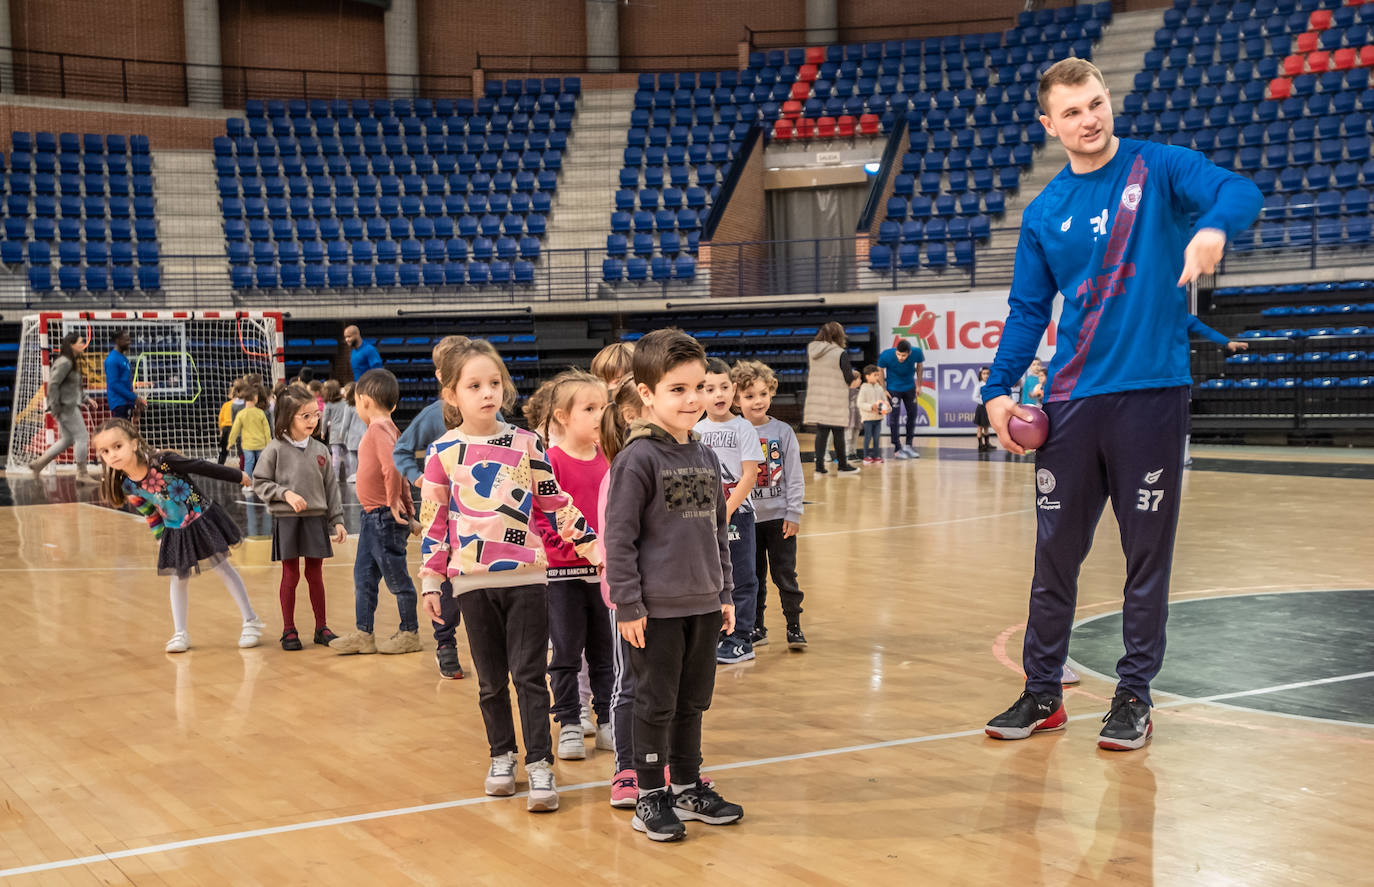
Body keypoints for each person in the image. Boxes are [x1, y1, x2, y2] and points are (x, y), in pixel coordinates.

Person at [981, 58, 1263, 750]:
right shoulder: (1045, 212)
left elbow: (1238, 187)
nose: (1089, 119)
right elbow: (1025, 311)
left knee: (1146, 558)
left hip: (1151, 397)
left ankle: (1133, 695)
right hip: (1070, 402)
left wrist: (1214, 228)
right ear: (1048, 124)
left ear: (1110, 103)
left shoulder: (1158, 167)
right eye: (1072, 112)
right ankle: (1042, 692)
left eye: (1097, 103)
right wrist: (996, 389)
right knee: (1054, 558)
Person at [419, 338, 598, 814]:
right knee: (491, 681)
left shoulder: (526, 443)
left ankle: (540, 764)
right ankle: (502, 757)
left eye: (494, 383)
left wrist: (594, 546)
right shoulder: (442, 452)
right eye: (474, 385)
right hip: (472, 584)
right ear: (452, 395)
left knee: (530, 677)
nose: (487, 393)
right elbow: (435, 523)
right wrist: (431, 581)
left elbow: (555, 502)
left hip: (526, 579)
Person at [604, 328, 744, 843]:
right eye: (677, 390)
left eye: (699, 387)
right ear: (647, 394)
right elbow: (619, 542)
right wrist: (629, 604)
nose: (693, 400)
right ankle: (650, 796)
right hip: (655, 611)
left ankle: (686, 785)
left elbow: (718, 530)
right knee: (655, 702)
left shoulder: (705, 456)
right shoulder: (637, 459)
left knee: (693, 701)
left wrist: (725, 593)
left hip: (705, 604)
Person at [92, 418, 263, 652]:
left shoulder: (163, 462)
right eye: (105, 451)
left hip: (201, 518)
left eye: (117, 446)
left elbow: (201, 466)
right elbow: (149, 513)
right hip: (175, 531)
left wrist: (236, 475)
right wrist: (161, 537)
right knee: (178, 577)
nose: (112, 454)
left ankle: (251, 621)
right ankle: (180, 633)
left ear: (133, 443)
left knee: (222, 566)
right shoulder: (128, 485)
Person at [527, 369, 615, 762]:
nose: (599, 415)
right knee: (565, 652)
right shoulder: (550, 463)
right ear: (563, 415)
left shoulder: (611, 461)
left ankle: (608, 719)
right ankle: (569, 721)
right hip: (562, 577)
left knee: (605, 651)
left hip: (605, 576)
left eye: (603, 407)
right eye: (590, 408)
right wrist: (571, 549)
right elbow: (542, 518)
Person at [394, 335, 472, 680]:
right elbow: (401, 451)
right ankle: (445, 644)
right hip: (443, 516)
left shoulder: (491, 410)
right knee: (442, 581)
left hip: (482, 518)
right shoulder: (431, 416)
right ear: (441, 376)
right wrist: (419, 478)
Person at [330, 369, 422, 656]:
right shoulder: (391, 428)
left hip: (382, 517)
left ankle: (409, 632)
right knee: (364, 577)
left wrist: (396, 504)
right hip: (375, 517)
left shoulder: (378, 429)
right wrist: (409, 512)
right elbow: (402, 471)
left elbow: (393, 469)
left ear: (365, 400)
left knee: (397, 579)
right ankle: (363, 633)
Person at [252, 384, 347, 651]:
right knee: (290, 575)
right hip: (287, 519)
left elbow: (331, 488)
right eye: (305, 416)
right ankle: (288, 630)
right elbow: (260, 482)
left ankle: (321, 627)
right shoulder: (275, 449)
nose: (313, 421)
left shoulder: (321, 450)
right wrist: (285, 494)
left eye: (315, 414)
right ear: (287, 417)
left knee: (315, 575)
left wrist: (337, 519)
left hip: (315, 519)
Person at [596, 362, 649, 808]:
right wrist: (627, 600)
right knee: (629, 682)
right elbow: (617, 545)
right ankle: (626, 766)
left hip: (671, 599)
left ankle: (662, 762)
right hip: (630, 601)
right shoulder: (622, 471)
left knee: (664, 687)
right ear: (634, 414)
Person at [734, 359, 807, 650]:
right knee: (752, 579)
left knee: (785, 575)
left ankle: (794, 626)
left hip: (779, 519)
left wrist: (794, 511)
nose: (757, 401)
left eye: (763, 394)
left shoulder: (783, 432)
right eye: (749, 396)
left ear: (772, 393)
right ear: (737, 400)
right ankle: (756, 627)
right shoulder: (736, 431)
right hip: (746, 520)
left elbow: (795, 476)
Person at [695, 358, 761, 664]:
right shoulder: (694, 430)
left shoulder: (742, 427)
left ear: (733, 390)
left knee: (742, 576)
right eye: (710, 388)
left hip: (738, 515)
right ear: (700, 392)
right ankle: (720, 630)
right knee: (712, 577)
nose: (718, 394)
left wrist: (726, 511)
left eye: (724, 387)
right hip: (700, 518)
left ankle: (742, 638)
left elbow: (749, 475)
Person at [29, 332, 98, 481]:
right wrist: (55, 406)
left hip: (67, 405)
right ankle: (82, 473)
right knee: (82, 437)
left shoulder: (71, 361)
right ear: (71, 345)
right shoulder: (64, 362)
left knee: (67, 440)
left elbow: (73, 387)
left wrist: (86, 398)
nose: (83, 344)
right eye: (80, 342)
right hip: (67, 407)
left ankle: (39, 464)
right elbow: (53, 384)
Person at [803, 322, 860, 476]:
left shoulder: (812, 350)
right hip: (835, 397)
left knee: (821, 432)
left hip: (819, 397)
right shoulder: (840, 352)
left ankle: (819, 467)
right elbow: (848, 378)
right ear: (838, 335)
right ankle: (843, 465)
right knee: (838, 432)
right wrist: (854, 374)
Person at [877, 338, 925, 459]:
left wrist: (919, 385)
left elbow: (919, 366)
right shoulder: (886, 355)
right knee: (894, 417)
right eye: (898, 354)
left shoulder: (917, 352)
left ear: (909, 353)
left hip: (910, 388)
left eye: (903, 355)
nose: (900, 357)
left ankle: (908, 445)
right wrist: (883, 389)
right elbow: (880, 369)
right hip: (893, 389)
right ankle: (897, 448)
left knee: (912, 415)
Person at [227, 386, 271, 475]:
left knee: (248, 463)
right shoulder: (260, 413)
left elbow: (235, 430)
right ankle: (262, 481)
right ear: (255, 398)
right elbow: (267, 430)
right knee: (261, 464)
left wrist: (230, 442)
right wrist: (268, 442)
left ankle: (248, 483)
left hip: (247, 445)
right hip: (260, 444)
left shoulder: (241, 414)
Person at [104, 328, 144, 421]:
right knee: (121, 433)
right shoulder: (112, 359)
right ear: (118, 341)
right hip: (119, 403)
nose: (129, 342)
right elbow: (114, 384)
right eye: (126, 340)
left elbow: (126, 384)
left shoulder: (123, 358)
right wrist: (134, 398)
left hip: (127, 402)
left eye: (129, 339)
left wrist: (133, 401)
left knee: (126, 432)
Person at [855, 364, 888, 464]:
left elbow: (885, 401)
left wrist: (886, 407)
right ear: (868, 376)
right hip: (868, 419)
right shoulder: (864, 388)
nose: (877, 377)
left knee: (877, 438)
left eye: (878, 375)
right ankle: (866, 456)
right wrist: (871, 407)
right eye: (875, 375)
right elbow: (860, 403)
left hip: (878, 418)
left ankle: (876, 456)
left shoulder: (880, 388)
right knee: (868, 437)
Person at [322, 379, 348, 476]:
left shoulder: (328, 404)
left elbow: (324, 419)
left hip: (334, 432)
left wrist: (323, 431)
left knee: (335, 455)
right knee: (347, 454)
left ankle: (336, 476)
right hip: (345, 432)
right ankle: (350, 474)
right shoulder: (345, 402)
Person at [216, 381, 244, 466]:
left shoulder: (226, 405)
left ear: (230, 395)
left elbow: (220, 419)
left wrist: (221, 430)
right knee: (241, 448)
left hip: (226, 427)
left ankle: (220, 465)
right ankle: (243, 463)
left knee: (224, 449)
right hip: (237, 427)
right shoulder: (242, 405)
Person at [973, 367, 995, 452]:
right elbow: (975, 397)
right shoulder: (979, 385)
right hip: (981, 408)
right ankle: (980, 445)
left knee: (986, 426)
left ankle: (987, 444)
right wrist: (984, 402)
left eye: (987, 373)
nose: (986, 375)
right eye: (984, 373)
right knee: (980, 427)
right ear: (980, 375)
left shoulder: (990, 385)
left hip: (988, 408)